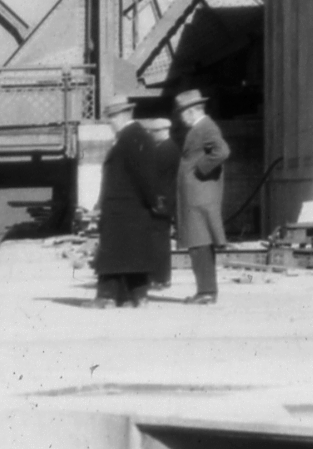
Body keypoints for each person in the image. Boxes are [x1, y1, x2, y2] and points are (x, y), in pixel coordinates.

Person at [91, 95, 172, 308]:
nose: (109, 122)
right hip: (126, 209)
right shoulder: (132, 137)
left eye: (112, 117)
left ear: (123, 115)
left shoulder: (134, 137)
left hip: (127, 208)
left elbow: (145, 175)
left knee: (116, 254)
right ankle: (134, 296)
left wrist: (152, 201)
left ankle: (107, 297)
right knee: (128, 255)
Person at [171, 86, 231, 304]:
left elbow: (222, 151)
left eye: (182, 113)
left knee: (199, 244)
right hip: (197, 196)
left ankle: (206, 292)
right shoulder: (202, 127)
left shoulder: (205, 127)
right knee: (199, 244)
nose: (181, 118)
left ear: (191, 111)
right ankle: (205, 290)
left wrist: (199, 170)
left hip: (200, 196)